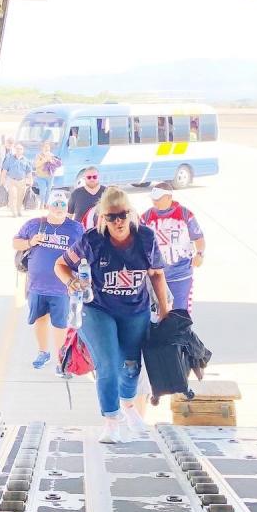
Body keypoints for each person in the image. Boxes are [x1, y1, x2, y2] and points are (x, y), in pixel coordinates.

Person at [54, 187, 170, 444]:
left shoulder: (146, 239)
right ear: (102, 218)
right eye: (111, 217)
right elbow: (60, 265)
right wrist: (72, 282)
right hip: (98, 309)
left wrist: (165, 311)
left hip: (135, 310)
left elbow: (157, 275)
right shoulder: (92, 240)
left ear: (130, 214)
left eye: (122, 215)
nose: (118, 222)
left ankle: (129, 407)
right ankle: (111, 420)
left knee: (130, 367)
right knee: (107, 363)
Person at [12, 191, 84, 374]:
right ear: (48, 206)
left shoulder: (76, 228)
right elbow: (15, 243)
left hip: (62, 287)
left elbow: (86, 251)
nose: (59, 209)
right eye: (55, 205)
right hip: (37, 285)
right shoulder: (34, 224)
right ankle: (43, 352)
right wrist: (30, 241)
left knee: (60, 324)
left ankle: (61, 359)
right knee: (40, 320)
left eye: (62, 205)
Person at [140, 182, 205, 312]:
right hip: (155, 274)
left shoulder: (185, 214)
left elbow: (198, 238)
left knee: (180, 312)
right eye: (153, 198)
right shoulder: (146, 217)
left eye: (158, 198)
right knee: (156, 312)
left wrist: (199, 254)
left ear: (169, 197)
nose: (155, 201)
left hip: (181, 274)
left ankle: (181, 332)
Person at [0, 143, 33, 217]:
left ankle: (18, 210)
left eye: (20, 149)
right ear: (15, 150)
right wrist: (2, 180)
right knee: (13, 196)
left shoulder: (26, 160)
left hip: (22, 181)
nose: (18, 150)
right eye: (17, 149)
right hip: (12, 181)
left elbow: (29, 172)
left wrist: (31, 180)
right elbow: (4, 171)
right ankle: (13, 211)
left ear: (23, 151)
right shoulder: (9, 159)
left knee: (20, 197)